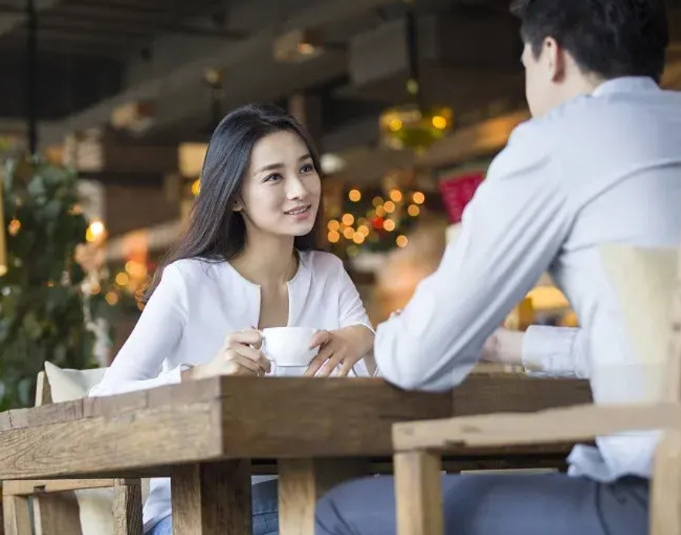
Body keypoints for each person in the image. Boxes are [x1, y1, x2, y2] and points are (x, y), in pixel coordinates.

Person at [316, 1, 681, 534]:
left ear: (550, 56)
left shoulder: (559, 139)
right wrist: (520, 347)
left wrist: (388, 339)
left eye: (524, 61)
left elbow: (420, 360)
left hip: (656, 505)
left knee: (338, 510)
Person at [87, 103, 375, 535]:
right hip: (193, 512)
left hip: (312, 495)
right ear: (236, 196)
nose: (300, 190)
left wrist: (362, 341)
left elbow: (373, 375)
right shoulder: (189, 282)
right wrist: (200, 375)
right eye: (274, 176)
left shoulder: (327, 273)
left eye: (306, 169)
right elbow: (103, 403)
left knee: (385, 504)